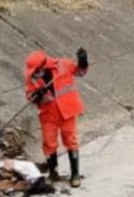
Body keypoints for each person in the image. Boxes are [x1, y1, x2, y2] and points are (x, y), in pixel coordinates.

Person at [24, 47, 90, 187]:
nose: (35, 73)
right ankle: (53, 174)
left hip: (68, 111)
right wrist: (37, 95)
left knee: (70, 140)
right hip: (48, 114)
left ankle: (75, 174)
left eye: (37, 70)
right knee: (49, 144)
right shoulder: (32, 77)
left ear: (43, 65)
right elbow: (30, 96)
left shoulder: (63, 64)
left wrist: (83, 61)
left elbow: (80, 72)